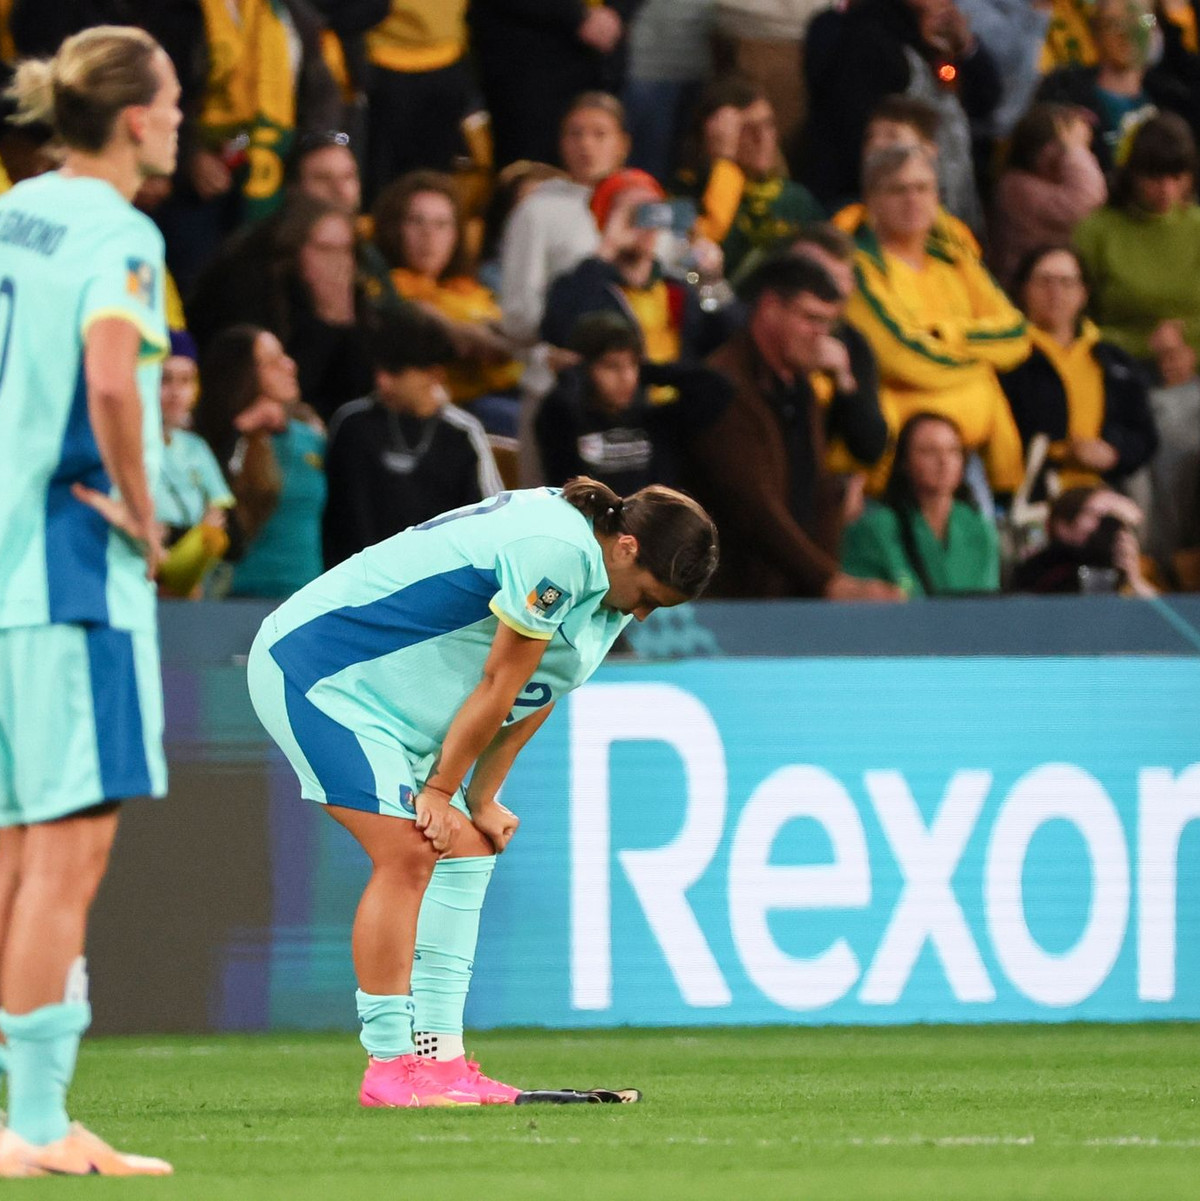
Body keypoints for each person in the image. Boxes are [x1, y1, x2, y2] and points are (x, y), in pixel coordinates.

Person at [246, 479, 719, 1106]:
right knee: (410, 852)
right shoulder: (557, 549)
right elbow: (500, 679)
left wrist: (479, 798)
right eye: (649, 598)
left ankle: (439, 1066)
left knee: (467, 847)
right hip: (319, 671)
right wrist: (441, 789)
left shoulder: (605, 580)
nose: (641, 615)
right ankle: (388, 1068)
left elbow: (538, 690)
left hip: (388, 704)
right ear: (627, 547)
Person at [0, 25, 178, 1177]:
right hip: (71, 574)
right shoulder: (121, 232)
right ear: (130, 118)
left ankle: (19, 1116)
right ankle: (38, 1124)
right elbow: (112, 373)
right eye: (168, 103)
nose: (177, 120)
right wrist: (145, 505)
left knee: (17, 853)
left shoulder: (13, 212)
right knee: (71, 851)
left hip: (2, 565)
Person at [688, 253, 901, 599]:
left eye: (828, 324)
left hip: (788, 597)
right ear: (770, 308)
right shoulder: (721, 386)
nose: (823, 336)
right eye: (811, 319)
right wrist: (828, 581)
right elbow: (753, 510)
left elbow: (816, 486)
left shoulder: (800, 390)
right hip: (732, 605)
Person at [843, 145, 1030, 496]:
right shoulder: (859, 267)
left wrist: (945, 334)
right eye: (898, 189)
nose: (912, 199)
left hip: (974, 458)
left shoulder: (955, 259)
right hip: (894, 471)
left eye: (923, 188)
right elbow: (901, 356)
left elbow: (1017, 335)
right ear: (871, 200)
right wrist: (981, 368)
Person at [323, 310, 502, 568]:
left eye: (396, 372)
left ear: (434, 374)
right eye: (380, 368)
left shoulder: (462, 433)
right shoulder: (352, 424)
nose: (382, 381)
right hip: (353, 581)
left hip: (434, 583)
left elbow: (489, 516)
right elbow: (332, 513)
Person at [801, 0, 1001, 230]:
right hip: (880, 214)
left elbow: (986, 101)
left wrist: (965, 46)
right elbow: (859, 143)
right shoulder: (866, 37)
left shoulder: (938, 35)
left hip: (945, 210)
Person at [188, 194, 375, 422]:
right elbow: (284, 385)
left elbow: (360, 390)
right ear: (294, 249)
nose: (338, 262)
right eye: (325, 249)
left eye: (345, 250)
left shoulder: (353, 295)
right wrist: (326, 321)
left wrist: (345, 321)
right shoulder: (250, 291)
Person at [372, 171, 523, 435]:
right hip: (448, 409)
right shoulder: (388, 289)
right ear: (394, 227)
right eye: (416, 221)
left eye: (442, 224)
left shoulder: (470, 290)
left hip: (505, 392)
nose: (429, 235)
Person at [1000, 245, 1157, 497]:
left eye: (1067, 282)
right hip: (1029, 497)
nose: (1055, 292)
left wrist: (1113, 453)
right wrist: (1061, 452)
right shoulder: (1006, 357)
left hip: (1104, 492)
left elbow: (1143, 433)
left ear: (1083, 293)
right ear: (1023, 289)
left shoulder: (1112, 359)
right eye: (1044, 281)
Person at [194, 325, 326, 598]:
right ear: (244, 374)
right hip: (237, 597)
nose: (289, 365)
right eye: (273, 362)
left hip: (306, 596)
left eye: (285, 356)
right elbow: (216, 504)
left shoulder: (310, 438)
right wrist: (240, 430)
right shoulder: (213, 441)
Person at [536, 312, 731, 492]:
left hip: (652, 525)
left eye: (633, 365)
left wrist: (649, 371)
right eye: (612, 366)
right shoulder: (565, 422)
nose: (626, 378)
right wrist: (574, 376)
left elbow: (718, 388)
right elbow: (557, 407)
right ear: (584, 370)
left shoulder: (655, 423)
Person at [540, 168, 716, 364]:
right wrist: (608, 246)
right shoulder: (578, 285)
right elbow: (563, 331)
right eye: (631, 213)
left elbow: (728, 340)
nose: (644, 222)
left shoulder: (675, 288)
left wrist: (713, 282)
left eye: (652, 209)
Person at [497, 92, 630, 349]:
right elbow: (518, 314)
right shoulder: (537, 210)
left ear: (623, 144)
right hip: (559, 361)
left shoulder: (645, 206)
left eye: (599, 134)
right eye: (575, 134)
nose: (586, 145)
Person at [1073, 112, 1200, 362]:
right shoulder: (1095, 232)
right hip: (1118, 366)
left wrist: (1187, 346)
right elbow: (1071, 325)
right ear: (1132, 174)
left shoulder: (1196, 226)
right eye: (1155, 178)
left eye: (1177, 178)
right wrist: (1143, 344)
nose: (1167, 190)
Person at [677, 75, 824, 278]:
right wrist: (724, 162)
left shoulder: (795, 199)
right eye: (747, 129)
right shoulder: (687, 192)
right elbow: (699, 253)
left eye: (769, 125)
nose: (762, 139)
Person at [470, 0, 642, 170]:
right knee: (533, 171)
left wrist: (615, 13)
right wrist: (578, 15)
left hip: (602, 58)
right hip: (527, 57)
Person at [842, 412, 1000, 595]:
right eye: (929, 451)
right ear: (904, 462)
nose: (944, 461)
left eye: (953, 450)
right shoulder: (875, 530)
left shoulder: (980, 528)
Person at [1036, 0, 1198, 172]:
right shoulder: (1063, 95)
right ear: (1095, 33)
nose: (1128, 33)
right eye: (1114, 24)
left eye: (1141, 21)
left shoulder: (1175, 98)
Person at [988, 103, 1107, 291]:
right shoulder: (1016, 187)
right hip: (1023, 293)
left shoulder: (1044, 182)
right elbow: (1086, 199)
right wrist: (1074, 149)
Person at [155, 330, 235, 598]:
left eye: (186, 380)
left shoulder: (194, 447)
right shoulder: (130, 443)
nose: (176, 392)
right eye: (164, 380)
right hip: (144, 560)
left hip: (190, 569)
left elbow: (219, 508)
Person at [1011, 485, 1156, 594]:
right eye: (1096, 515)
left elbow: (1165, 623)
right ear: (1062, 524)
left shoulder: (1124, 574)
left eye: (1113, 520)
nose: (1106, 527)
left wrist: (1133, 580)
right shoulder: (1042, 569)